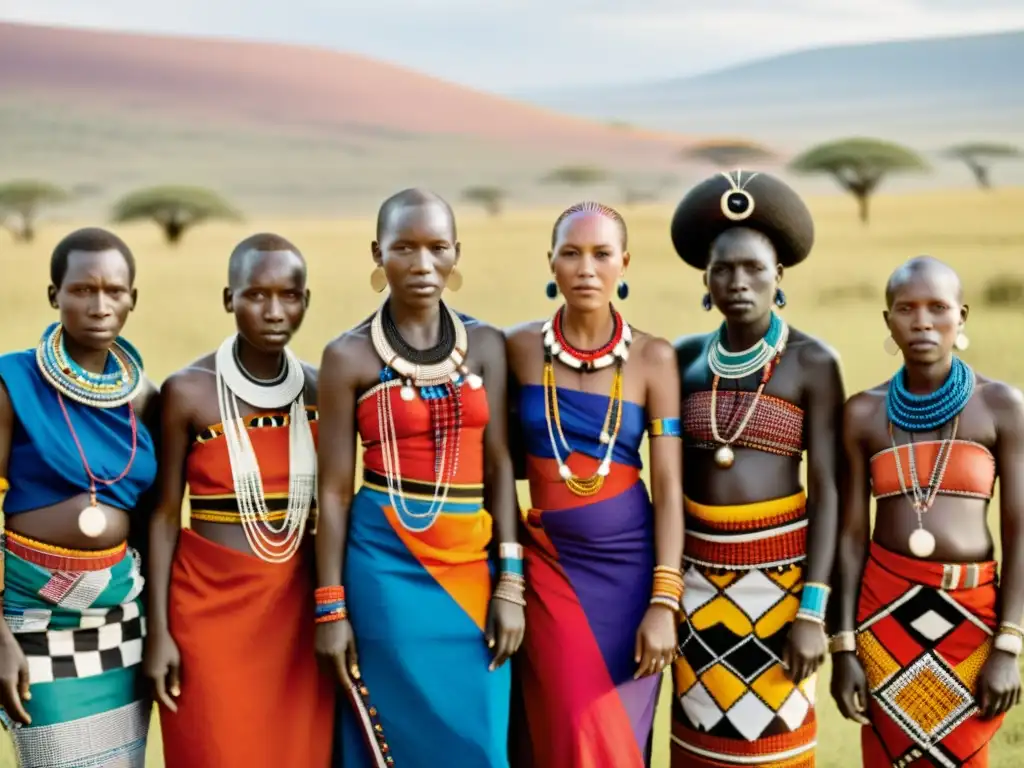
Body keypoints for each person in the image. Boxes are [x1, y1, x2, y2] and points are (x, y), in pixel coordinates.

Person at [315, 188, 525, 768]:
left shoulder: (486, 344)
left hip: (472, 570)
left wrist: (511, 583)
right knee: (395, 737)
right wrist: (330, 608)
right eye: (404, 247)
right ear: (377, 253)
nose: (422, 264)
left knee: (480, 740)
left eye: (437, 247)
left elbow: (501, 464)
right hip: (383, 569)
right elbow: (332, 492)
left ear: (457, 252)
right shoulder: (348, 356)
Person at [669, 171, 845, 768]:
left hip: (781, 588)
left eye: (753, 268)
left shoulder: (813, 362)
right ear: (705, 280)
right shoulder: (685, 359)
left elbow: (828, 494)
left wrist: (812, 613)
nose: (738, 283)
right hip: (695, 586)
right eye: (723, 269)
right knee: (698, 747)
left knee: (776, 749)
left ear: (780, 278)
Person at [143, 233, 334, 767]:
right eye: (255, 295)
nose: (273, 311)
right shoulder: (189, 391)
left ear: (305, 301)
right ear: (229, 298)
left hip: (297, 615)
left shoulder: (323, 391)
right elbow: (162, 517)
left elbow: (337, 503)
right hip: (207, 616)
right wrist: (159, 633)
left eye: (288, 295)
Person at [505, 201, 684, 767]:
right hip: (550, 570)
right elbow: (491, 465)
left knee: (619, 744)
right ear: (550, 263)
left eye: (602, 254)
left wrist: (664, 601)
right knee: (566, 732)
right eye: (572, 253)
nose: (587, 268)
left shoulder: (654, 358)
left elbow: (670, 487)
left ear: (624, 263)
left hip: (631, 576)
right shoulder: (517, 350)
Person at [831, 256, 1024, 767]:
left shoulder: (1001, 407)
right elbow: (850, 538)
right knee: (889, 756)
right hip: (884, 616)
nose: (922, 322)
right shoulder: (864, 414)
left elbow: (1020, 530)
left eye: (938, 308)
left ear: (961, 317)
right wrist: (844, 646)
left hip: (973, 618)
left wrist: (1008, 645)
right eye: (906, 309)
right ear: (888, 322)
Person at [0, 228, 159, 767]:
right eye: (82, 290)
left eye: (114, 291)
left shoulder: (144, 397)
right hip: (32, 626)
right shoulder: (12, 382)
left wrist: (160, 632)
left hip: (121, 622)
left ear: (132, 299)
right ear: (54, 295)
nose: (100, 305)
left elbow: (149, 521)